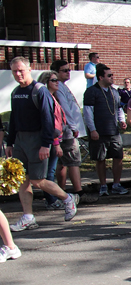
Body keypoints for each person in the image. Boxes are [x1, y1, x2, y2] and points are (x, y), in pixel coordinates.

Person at [5, 57, 78, 231]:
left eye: (21, 70)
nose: (18, 74)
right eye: (14, 71)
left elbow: (48, 120)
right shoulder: (15, 92)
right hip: (21, 141)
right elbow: (14, 119)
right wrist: (10, 142)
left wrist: (46, 144)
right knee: (22, 180)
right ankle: (28, 217)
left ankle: (68, 199)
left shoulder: (39, 91)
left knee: (38, 180)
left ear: (29, 70)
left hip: (37, 140)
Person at [83, 64, 129, 196]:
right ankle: (103, 185)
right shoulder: (92, 91)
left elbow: (118, 108)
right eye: (109, 76)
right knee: (100, 158)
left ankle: (116, 184)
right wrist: (92, 129)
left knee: (118, 156)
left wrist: (122, 121)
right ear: (100, 77)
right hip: (99, 131)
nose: (112, 77)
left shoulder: (114, 91)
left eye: (112, 75)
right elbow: (87, 113)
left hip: (113, 131)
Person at [50, 60, 83, 196]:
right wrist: (73, 126)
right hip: (67, 130)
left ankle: (61, 191)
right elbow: (65, 109)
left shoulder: (63, 86)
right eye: (65, 70)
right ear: (56, 72)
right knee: (73, 160)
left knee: (62, 162)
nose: (68, 72)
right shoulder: (59, 89)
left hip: (65, 130)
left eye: (69, 70)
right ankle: (78, 191)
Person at [38, 71, 70, 211]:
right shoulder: (46, 99)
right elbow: (49, 123)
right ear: (46, 82)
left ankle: (52, 198)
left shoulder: (53, 97)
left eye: (57, 80)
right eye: (53, 80)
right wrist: (56, 143)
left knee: (50, 171)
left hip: (56, 137)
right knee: (48, 173)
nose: (57, 82)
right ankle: (51, 200)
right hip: (50, 140)